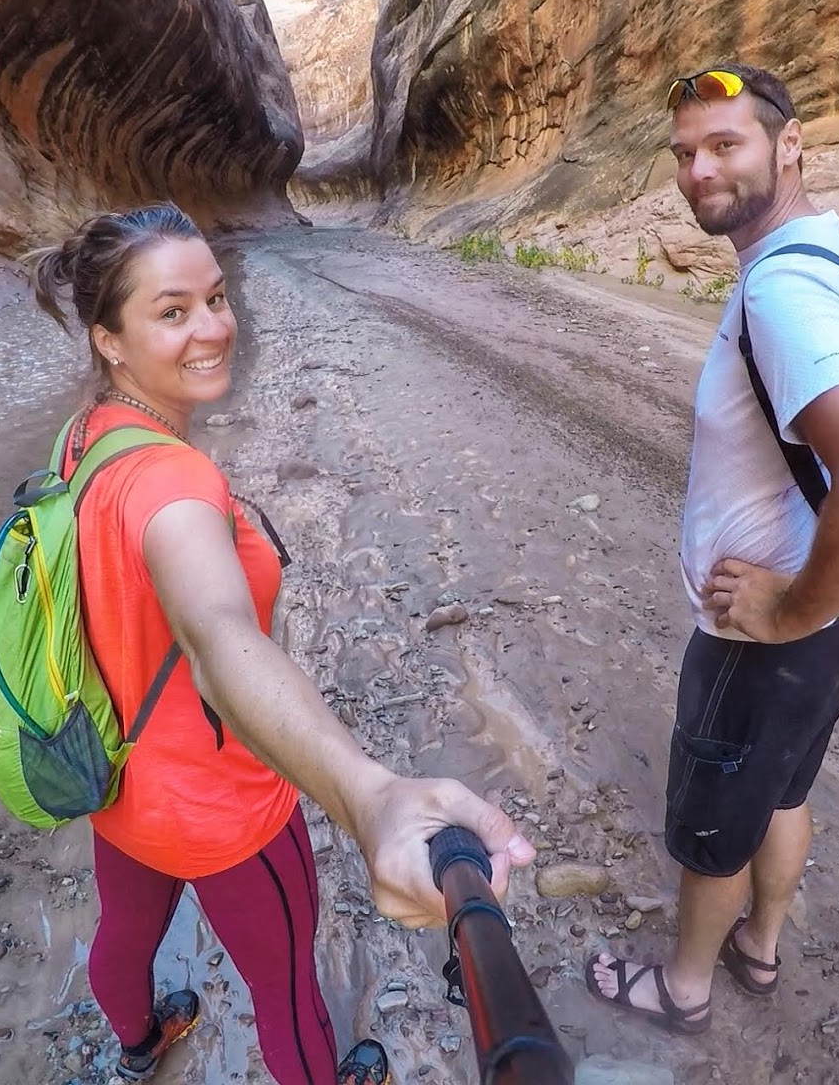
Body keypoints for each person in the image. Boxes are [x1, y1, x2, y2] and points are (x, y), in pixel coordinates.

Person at [29, 205, 535, 1082]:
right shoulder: (176, 482)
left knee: (126, 933)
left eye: (217, 298)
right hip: (227, 809)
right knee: (286, 986)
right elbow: (220, 637)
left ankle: (141, 1043)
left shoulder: (84, 443)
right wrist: (370, 795)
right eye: (173, 310)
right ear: (109, 340)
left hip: (119, 787)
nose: (215, 327)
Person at [586, 64, 839, 1031]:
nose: (698, 170)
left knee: (712, 827)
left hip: (773, 631)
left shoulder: (785, 293)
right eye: (685, 153)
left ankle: (684, 989)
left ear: (791, 145)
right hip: (836, 617)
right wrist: (817, 607)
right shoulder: (822, 249)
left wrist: (782, 608)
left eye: (725, 144)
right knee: (783, 787)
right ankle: (761, 949)